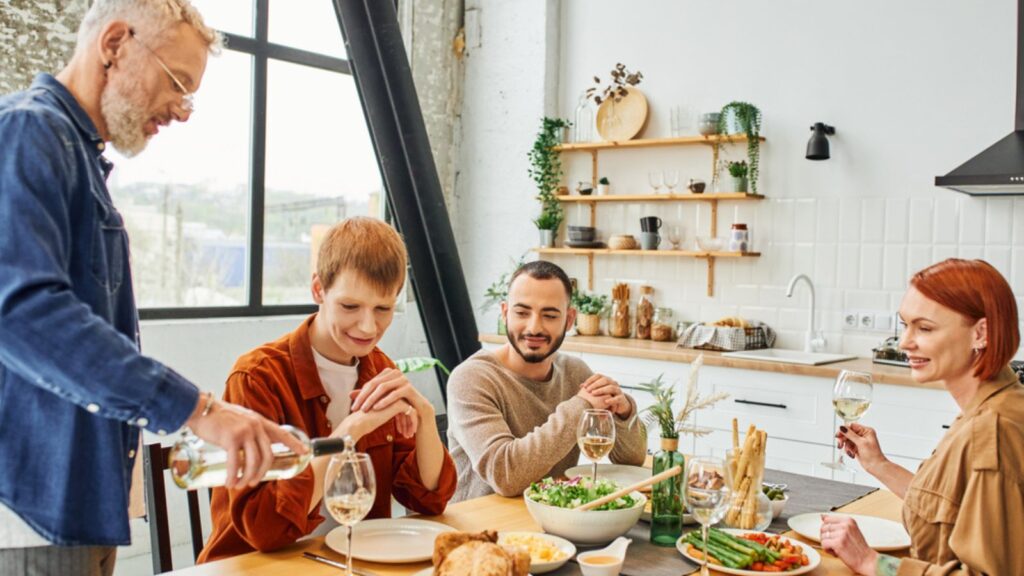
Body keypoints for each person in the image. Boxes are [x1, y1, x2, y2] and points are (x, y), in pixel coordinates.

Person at [0, 2, 303, 575]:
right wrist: (196, 409)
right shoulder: (28, 132)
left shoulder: (78, 155)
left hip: (79, 506)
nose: (183, 111)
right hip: (32, 509)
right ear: (115, 43)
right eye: (177, 83)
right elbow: (22, 313)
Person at [198, 217, 457, 562]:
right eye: (350, 306)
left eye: (383, 309)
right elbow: (267, 532)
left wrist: (425, 416)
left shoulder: (381, 371)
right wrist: (347, 433)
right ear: (318, 289)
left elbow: (429, 501)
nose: (368, 326)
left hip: (352, 562)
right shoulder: (258, 378)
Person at [825, 259, 1024, 576]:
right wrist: (879, 465)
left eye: (925, 328)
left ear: (981, 334)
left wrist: (873, 562)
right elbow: (952, 508)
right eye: (905, 325)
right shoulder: (990, 406)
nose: (905, 342)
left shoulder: (993, 431)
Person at [447, 261, 647, 501]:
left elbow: (631, 461)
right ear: (505, 313)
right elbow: (506, 476)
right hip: (481, 529)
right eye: (522, 313)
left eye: (550, 315)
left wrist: (623, 412)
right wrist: (581, 406)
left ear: (569, 320)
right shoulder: (472, 378)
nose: (534, 327)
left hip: (552, 523)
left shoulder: (575, 371)